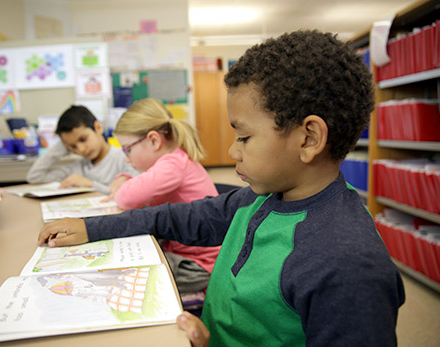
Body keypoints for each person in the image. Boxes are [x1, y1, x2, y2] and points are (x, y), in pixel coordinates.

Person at [38, 30, 405, 346]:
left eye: (244, 136)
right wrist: (90, 227)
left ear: (309, 138)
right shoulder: (262, 197)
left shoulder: (348, 266)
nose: (232, 151)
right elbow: (179, 217)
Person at [105, 97, 221, 304]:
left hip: (198, 266)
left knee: (128, 278)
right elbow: (136, 192)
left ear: (154, 140)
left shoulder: (172, 165)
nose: (126, 158)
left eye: (127, 149)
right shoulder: (175, 160)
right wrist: (123, 179)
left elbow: (126, 197)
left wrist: (122, 183)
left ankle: (198, 295)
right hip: (183, 252)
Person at [26, 105, 138, 194]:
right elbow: (35, 177)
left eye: (83, 139)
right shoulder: (77, 167)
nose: (81, 149)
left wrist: (90, 184)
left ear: (98, 128)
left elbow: (132, 196)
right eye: (73, 146)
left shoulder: (126, 158)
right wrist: (61, 147)